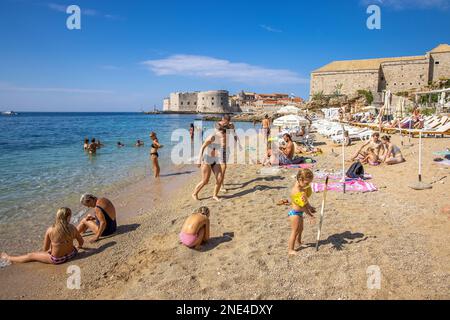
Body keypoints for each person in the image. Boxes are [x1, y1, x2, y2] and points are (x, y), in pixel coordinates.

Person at [1, 208, 83, 264]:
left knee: (31, 255)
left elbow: (45, 249)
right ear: (68, 217)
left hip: (58, 260)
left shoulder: (51, 230)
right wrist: (78, 246)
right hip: (72, 254)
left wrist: (52, 249)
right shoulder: (72, 227)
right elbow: (81, 242)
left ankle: (8, 257)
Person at [192, 127, 225, 202]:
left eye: (223, 134)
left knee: (219, 178)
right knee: (205, 181)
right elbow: (202, 147)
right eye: (221, 134)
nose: (222, 135)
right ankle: (194, 194)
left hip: (214, 159)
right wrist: (199, 159)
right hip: (206, 159)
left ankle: (215, 195)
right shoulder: (211, 138)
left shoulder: (222, 139)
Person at [288, 169, 316, 255]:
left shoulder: (302, 187)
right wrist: (310, 215)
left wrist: (310, 207)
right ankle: (290, 250)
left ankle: (299, 242)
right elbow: (302, 206)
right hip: (295, 214)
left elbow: (305, 202)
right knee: (295, 231)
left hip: (300, 213)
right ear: (300, 179)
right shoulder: (296, 191)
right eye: (307, 183)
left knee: (301, 229)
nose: (308, 185)